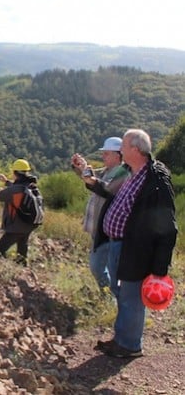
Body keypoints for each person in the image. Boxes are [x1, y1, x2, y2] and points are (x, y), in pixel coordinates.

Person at [84, 129, 177, 358]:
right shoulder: (131, 172)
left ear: (135, 149)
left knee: (131, 296)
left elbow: (167, 227)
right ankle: (121, 338)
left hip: (135, 249)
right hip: (118, 244)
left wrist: (159, 270)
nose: (121, 150)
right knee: (123, 293)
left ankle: (129, 345)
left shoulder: (155, 181)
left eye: (124, 147)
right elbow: (113, 197)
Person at [71, 137, 128, 292]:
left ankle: (111, 295)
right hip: (100, 230)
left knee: (98, 267)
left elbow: (107, 190)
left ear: (118, 155)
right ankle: (110, 294)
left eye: (106, 154)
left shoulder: (123, 174)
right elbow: (91, 178)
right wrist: (80, 167)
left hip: (108, 232)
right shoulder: (107, 171)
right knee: (103, 267)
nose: (103, 157)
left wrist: (92, 180)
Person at [0, 158, 39, 267]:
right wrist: (6, 182)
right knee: (22, 251)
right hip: (29, 224)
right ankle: (23, 271)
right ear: (26, 172)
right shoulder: (31, 186)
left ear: (15, 173)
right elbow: (18, 189)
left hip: (16, 227)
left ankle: (4, 272)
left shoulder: (15, 190)